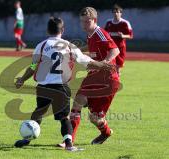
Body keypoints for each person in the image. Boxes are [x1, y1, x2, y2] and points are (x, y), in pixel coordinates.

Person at [13, 17, 114, 151]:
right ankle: (69, 145)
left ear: (48, 30)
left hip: (43, 88)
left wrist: (22, 79)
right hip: (61, 87)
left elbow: (33, 66)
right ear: (63, 30)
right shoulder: (69, 46)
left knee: (38, 113)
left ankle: (27, 139)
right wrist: (102, 65)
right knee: (64, 118)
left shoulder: (41, 45)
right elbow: (86, 61)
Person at [58, 7, 120, 147]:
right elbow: (93, 50)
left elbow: (115, 50)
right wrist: (76, 53)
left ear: (94, 20)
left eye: (87, 22)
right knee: (78, 101)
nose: (84, 25)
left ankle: (106, 132)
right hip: (94, 76)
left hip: (108, 79)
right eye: (82, 22)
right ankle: (69, 140)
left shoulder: (100, 33)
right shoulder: (90, 35)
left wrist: (104, 63)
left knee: (95, 118)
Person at [104, 4, 133, 75]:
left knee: (118, 67)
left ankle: (116, 83)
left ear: (121, 13)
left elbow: (130, 35)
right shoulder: (108, 22)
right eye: (114, 12)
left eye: (117, 12)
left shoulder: (125, 23)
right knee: (109, 66)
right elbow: (104, 34)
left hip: (120, 47)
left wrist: (123, 35)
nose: (116, 14)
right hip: (110, 48)